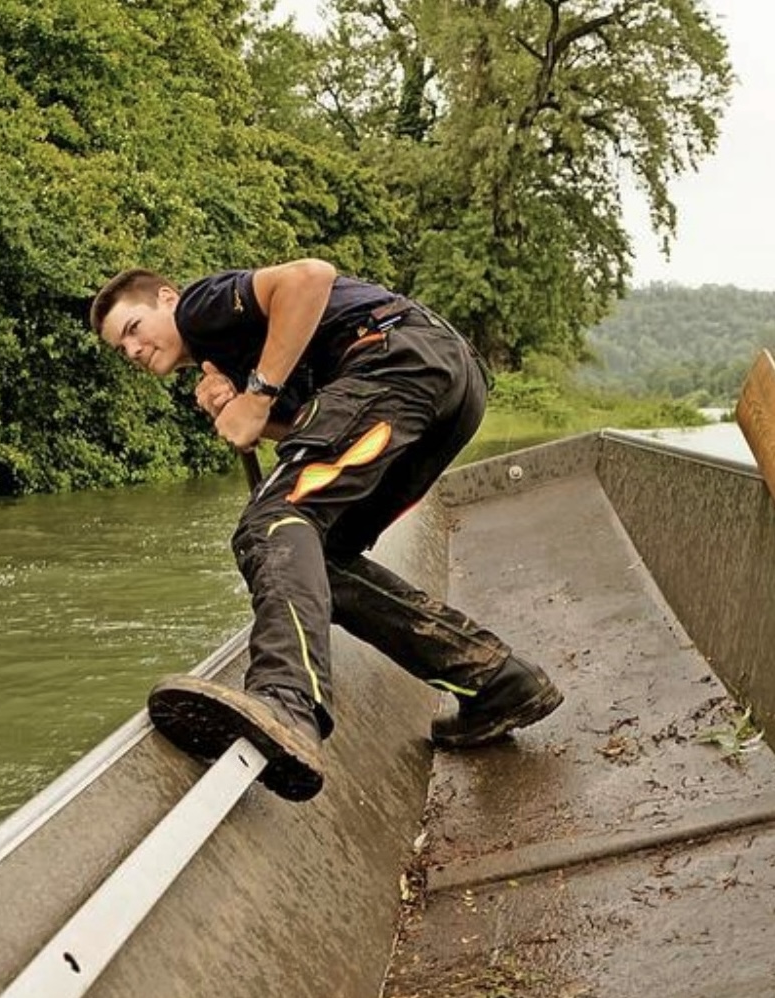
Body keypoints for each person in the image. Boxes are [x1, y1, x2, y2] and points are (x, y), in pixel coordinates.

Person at [89, 259, 562, 802]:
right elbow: (318, 426)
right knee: (320, 556)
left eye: (133, 329)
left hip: (396, 362)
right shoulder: (234, 353)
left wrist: (258, 392)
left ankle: (286, 701)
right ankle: (495, 680)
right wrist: (252, 411)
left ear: (168, 300)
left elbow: (309, 278)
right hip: (444, 387)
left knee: (269, 523)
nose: (132, 350)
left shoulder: (201, 308)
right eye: (120, 349)